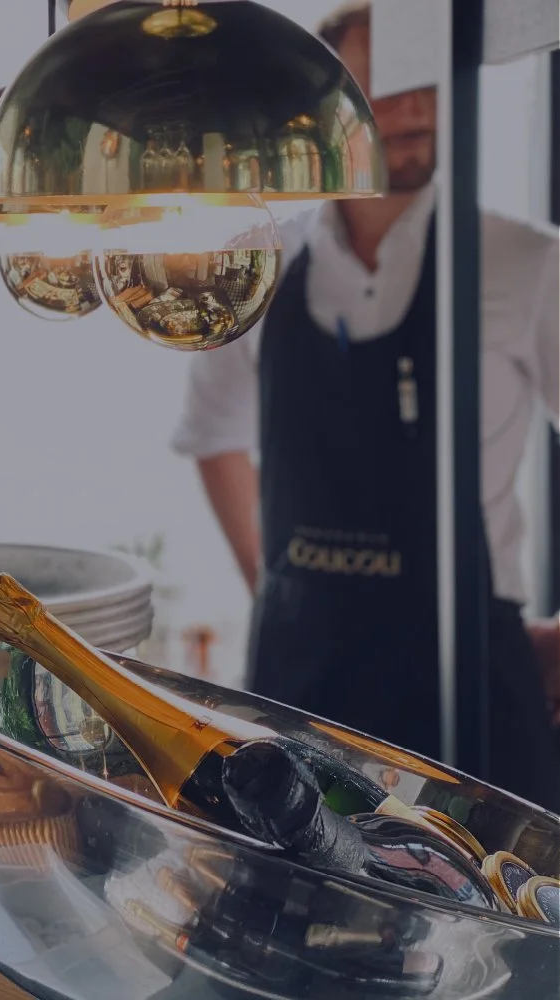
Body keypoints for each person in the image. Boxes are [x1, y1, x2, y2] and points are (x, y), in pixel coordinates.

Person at [172, 1, 560, 811]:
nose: (413, 104)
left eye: (426, 79)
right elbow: (213, 434)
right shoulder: (255, 262)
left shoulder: (526, 264)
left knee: (493, 888)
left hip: (472, 687)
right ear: (322, 107)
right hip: (300, 686)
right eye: (385, 82)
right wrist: (278, 593)